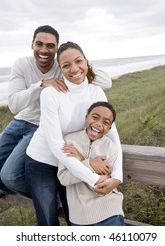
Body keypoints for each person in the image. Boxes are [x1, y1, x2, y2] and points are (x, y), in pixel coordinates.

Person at [0, 25, 112, 202]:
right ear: (32, 45)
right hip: (19, 121)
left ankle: (50, 197)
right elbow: (14, 105)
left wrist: (80, 62)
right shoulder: (22, 64)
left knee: (9, 175)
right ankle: (30, 192)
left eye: (50, 46)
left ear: (57, 48)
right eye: (39, 44)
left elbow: (106, 82)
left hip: (39, 127)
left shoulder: (63, 67)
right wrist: (42, 84)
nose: (44, 50)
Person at [25, 41, 123, 226]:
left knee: (74, 217)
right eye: (66, 65)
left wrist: (117, 176)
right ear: (60, 69)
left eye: (79, 61)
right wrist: (94, 178)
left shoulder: (96, 91)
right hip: (43, 161)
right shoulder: (51, 94)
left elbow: (113, 135)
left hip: (73, 162)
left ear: (86, 61)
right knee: (48, 219)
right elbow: (55, 145)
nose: (74, 68)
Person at [58, 101, 124, 226]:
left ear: (109, 128)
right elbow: (64, 178)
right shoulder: (69, 141)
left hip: (110, 210)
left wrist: (81, 160)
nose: (99, 124)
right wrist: (91, 164)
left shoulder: (111, 148)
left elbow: (103, 183)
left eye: (106, 122)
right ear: (86, 118)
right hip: (79, 215)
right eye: (95, 117)